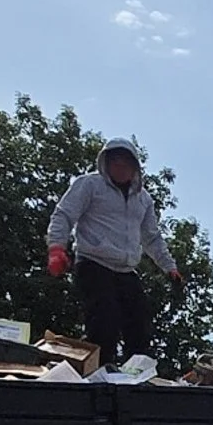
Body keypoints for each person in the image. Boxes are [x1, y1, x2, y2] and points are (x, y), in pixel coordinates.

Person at [47, 135, 179, 367]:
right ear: (105, 163)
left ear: (134, 168)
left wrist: (170, 267)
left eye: (125, 164)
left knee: (139, 323)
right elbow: (64, 214)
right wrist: (57, 248)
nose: (120, 168)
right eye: (115, 162)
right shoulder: (89, 185)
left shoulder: (143, 199)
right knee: (104, 319)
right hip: (93, 262)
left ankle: (135, 374)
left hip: (126, 269)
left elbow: (151, 237)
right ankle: (100, 370)